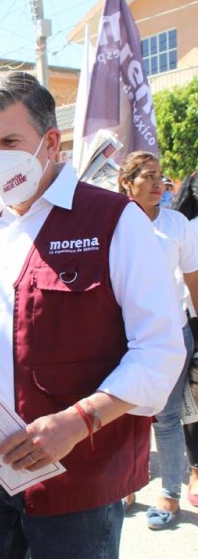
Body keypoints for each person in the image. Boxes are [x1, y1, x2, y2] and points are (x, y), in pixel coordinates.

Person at [0, 71, 184, 559]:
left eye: (10, 140)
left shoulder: (112, 221)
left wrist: (78, 422)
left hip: (77, 476)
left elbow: (161, 350)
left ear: (51, 141)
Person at [118, 152, 198, 528]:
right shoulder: (114, 222)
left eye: (161, 177)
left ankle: (169, 494)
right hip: (122, 333)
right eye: (148, 176)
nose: (158, 184)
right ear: (126, 183)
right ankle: (124, 486)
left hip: (172, 332)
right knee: (123, 413)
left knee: (166, 417)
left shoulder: (178, 224)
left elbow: (193, 281)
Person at [164, 169, 198, 510]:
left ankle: (178, 484)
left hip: (185, 325)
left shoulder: (179, 226)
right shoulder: (188, 227)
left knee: (176, 411)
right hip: (185, 323)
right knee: (188, 407)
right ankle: (195, 471)